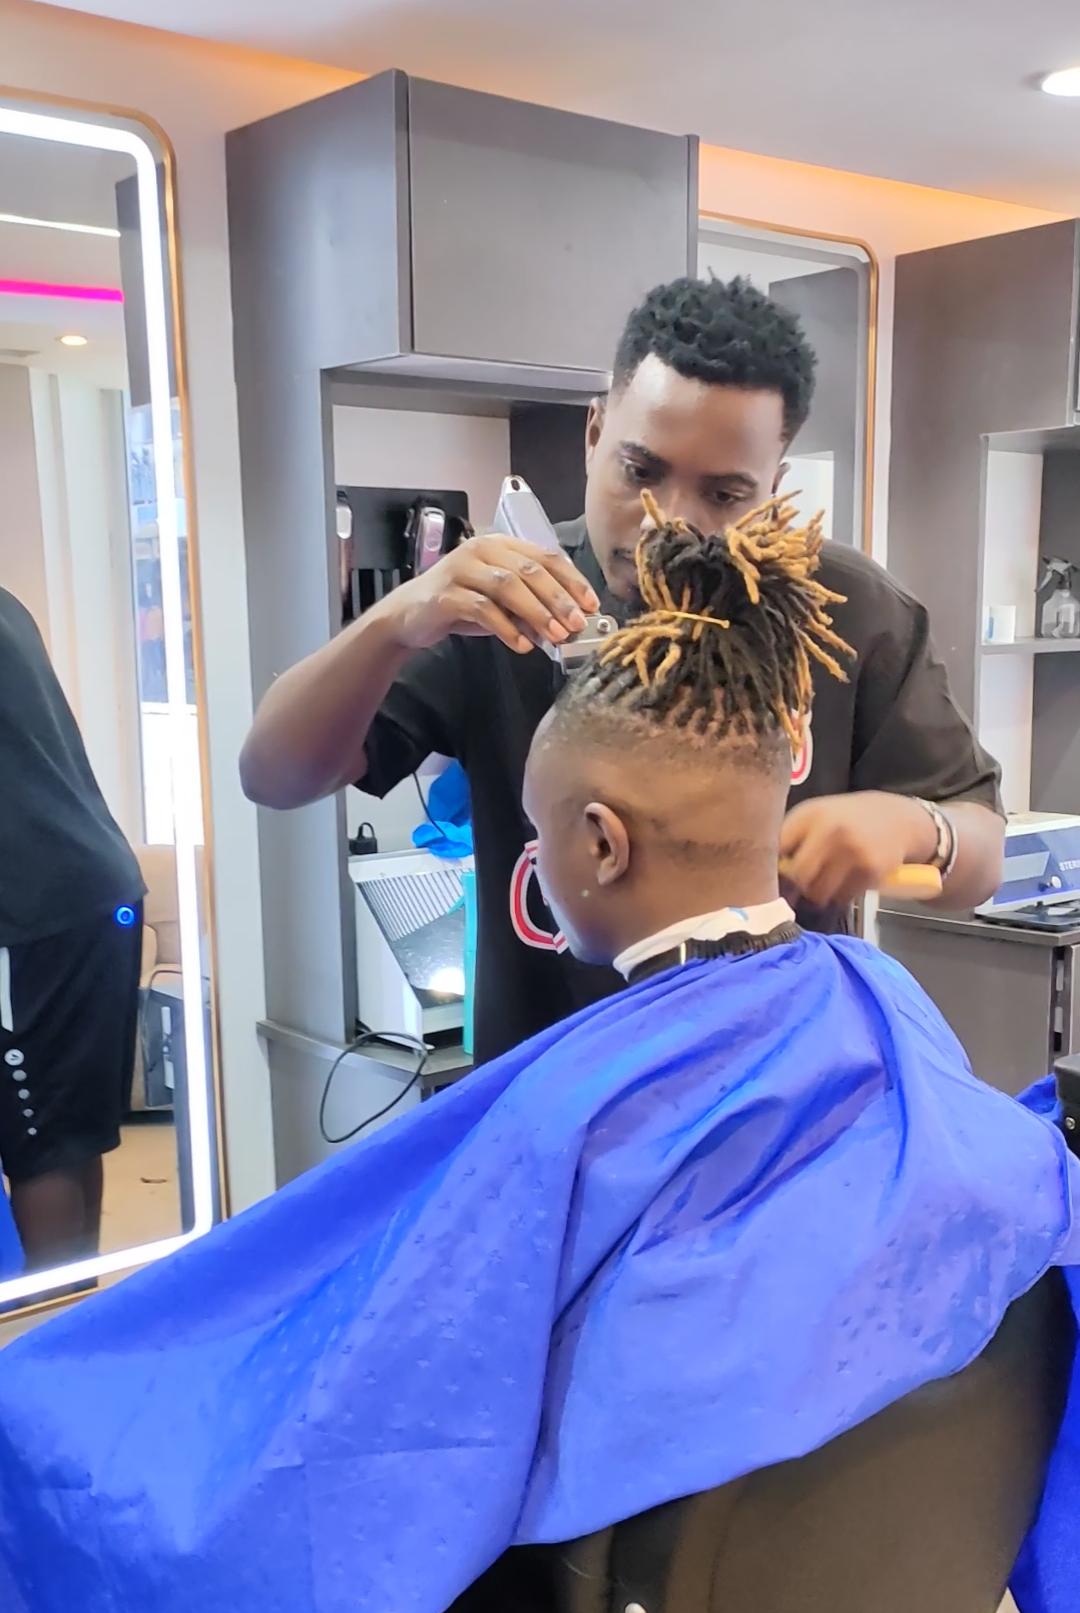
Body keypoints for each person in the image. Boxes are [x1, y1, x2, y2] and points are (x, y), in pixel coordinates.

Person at [0, 500, 1074, 1613]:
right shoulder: (883, 1015)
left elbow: (379, 1431)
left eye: (538, 831)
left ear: (601, 845)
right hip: (816, 1583)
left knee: (65, 1429)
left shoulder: (568, 1118)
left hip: (581, 1597)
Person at [240, 274, 1005, 1064]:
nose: (668, 522)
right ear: (594, 433)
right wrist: (394, 620)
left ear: (773, 486)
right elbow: (273, 774)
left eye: (724, 492)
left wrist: (920, 829)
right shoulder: (498, 600)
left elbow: (979, 858)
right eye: (641, 471)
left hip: (773, 1094)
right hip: (552, 1094)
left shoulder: (847, 612)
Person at [0, 588, 145, 1267]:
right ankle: (68, 1322)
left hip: (32, 905)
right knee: (67, 1137)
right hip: (96, 887)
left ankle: (47, 1339)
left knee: (41, 1146)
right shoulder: (7, 604)